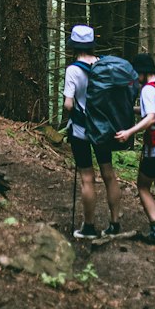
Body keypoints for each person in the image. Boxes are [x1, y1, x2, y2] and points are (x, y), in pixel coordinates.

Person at [62, 24, 123, 239]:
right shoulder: (102, 65)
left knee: (88, 178)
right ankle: (115, 223)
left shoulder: (73, 70)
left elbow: (69, 104)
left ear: (74, 46)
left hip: (81, 131)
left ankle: (89, 227)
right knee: (109, 174)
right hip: (103, 130)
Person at [115, 51, 155, 245]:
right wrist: (129, 109)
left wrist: (129, 132)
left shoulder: (148, 90)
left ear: (142, 72)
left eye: (136, 73)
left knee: (143, 186)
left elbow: (151, 117)